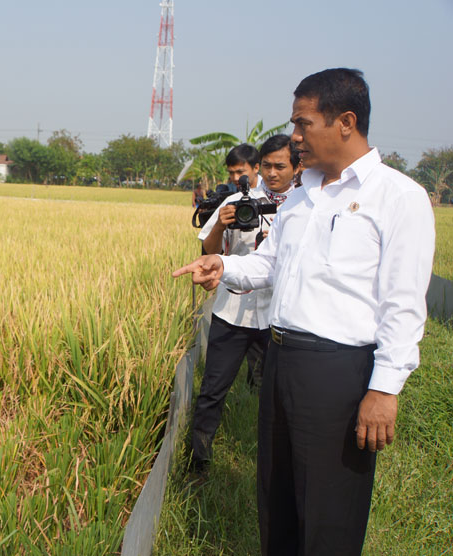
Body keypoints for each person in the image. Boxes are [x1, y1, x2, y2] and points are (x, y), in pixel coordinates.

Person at [173, 68, 435, 555]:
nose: (294, 137)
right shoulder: (301, 194)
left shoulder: (398, 198)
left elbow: (403, 305)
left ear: (345, 122)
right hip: (281, 359)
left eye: (302, 123)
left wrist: (384, 388)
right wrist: (222, 263)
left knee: (329, 509)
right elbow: (272, 264)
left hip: (339, 370)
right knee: (277, 496)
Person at [188, 140, 298, 474]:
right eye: (267, 166)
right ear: (258, 167)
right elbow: (209, 248)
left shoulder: (302, 206)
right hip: (232, 311)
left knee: (280, 396)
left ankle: (273, 464)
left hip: (277, 317)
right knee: (212, 391)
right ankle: (198, 464)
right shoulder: (238, 200)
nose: (273, 173)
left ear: (296, 166)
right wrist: (221, 223)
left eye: (281, 166)